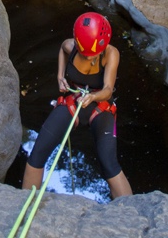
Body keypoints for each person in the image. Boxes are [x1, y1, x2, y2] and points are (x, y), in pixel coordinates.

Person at [21, 12, 133, 199]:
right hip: (73, 102)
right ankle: (25, 204)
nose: (89, 58)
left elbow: (108, 89)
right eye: (85, 53)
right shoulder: (70, 46)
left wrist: (93, 96)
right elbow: (62, 50)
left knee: (109, 164)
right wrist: (60, 76)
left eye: (92, 54)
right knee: (37, 155)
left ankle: (130, 214)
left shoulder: (111, 53)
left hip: (100, 106)